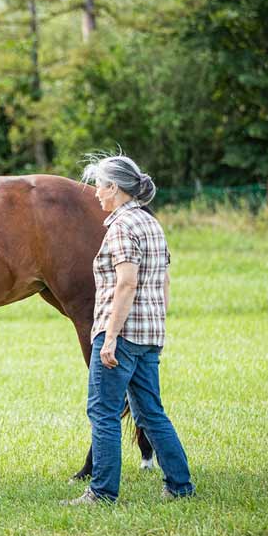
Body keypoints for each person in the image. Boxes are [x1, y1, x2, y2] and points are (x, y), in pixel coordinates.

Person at [64, 154, 195, 504]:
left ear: (115, 187)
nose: (95, 194)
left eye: (100, 186)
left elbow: (126, 283)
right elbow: (164, 280)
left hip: (121, 336)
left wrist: (109, 335)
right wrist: (157, 325)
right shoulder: (151, 224)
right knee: (151, 412)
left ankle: (102, 492)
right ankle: (180, 486)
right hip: (149, 335)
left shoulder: (120, 227)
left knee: (103, 412)